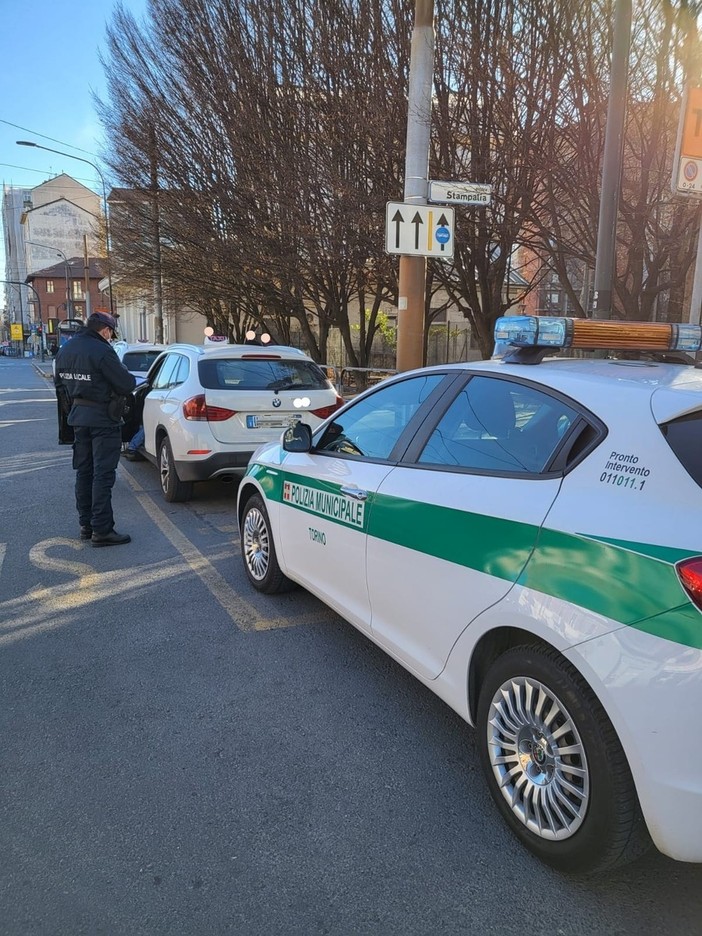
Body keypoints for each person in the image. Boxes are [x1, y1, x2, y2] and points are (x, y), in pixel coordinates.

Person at [54, 311, 137, 546]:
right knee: (103, 474)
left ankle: (86, 526)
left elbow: (60, 386)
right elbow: (126, 383)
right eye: (111, 333)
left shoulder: (66, 350)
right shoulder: (102, 351)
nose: (110, 338)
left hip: (78, 418)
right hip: (103, 420)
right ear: (106, 330)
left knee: (84, 472)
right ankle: (102, 530)